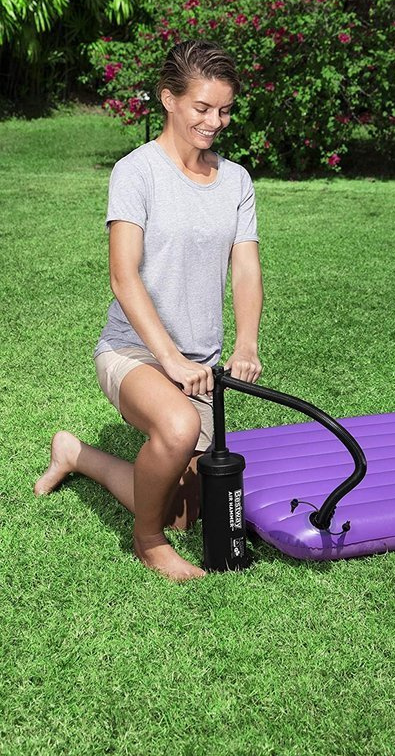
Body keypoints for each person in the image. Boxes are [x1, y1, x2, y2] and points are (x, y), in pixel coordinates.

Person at [34, 40, 264, 583]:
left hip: (198, 363)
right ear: (168, 99)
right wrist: (171, 360)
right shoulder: (137, 172)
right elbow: (123, 276)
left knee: (183, 513)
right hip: (132, 350)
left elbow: (246, 268)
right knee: (178, 428)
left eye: (225, 110)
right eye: (202, 108)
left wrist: (246, 343)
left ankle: (77, 455)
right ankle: (147, 544)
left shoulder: (235, 180)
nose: (214, 122)